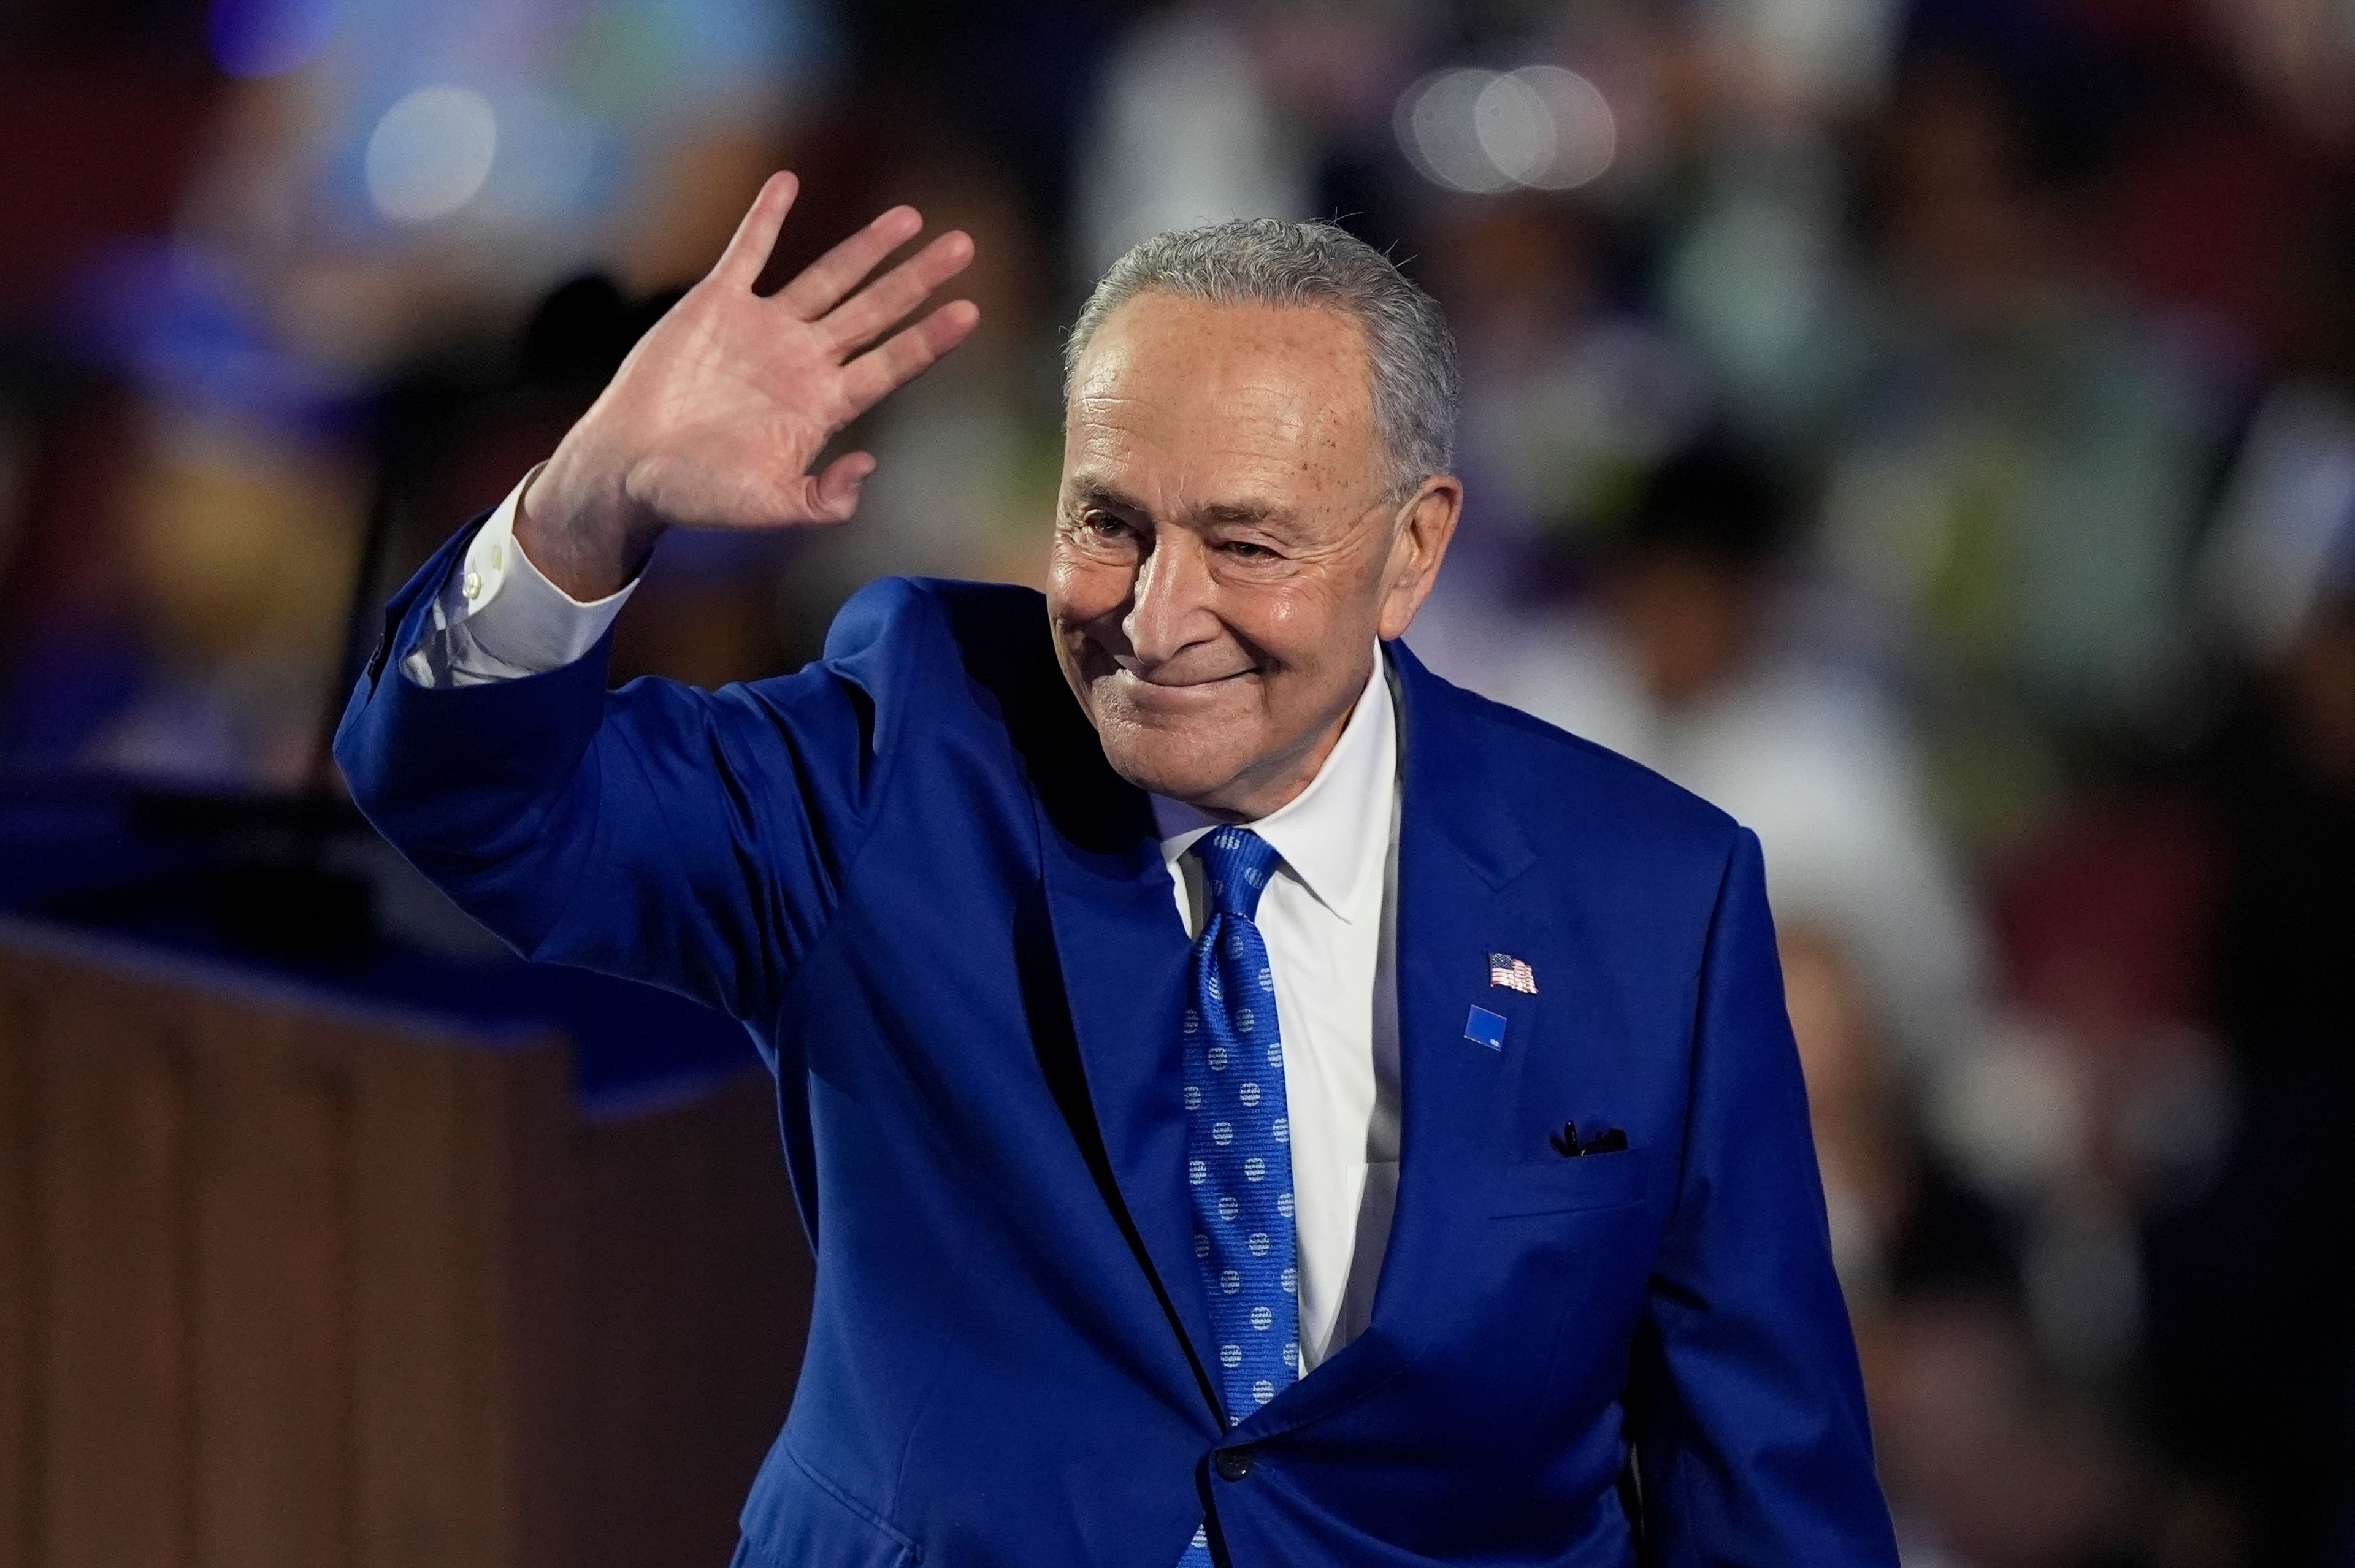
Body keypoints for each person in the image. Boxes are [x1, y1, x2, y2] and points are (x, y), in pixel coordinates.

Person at [335, 173, 1898, 1567]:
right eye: (1110, 523)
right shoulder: (908, 756)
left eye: (1246, 543)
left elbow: (1764, 1483)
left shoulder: (1648, 898)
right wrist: (589, 506)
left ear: (1412, 552)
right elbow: (479, 805)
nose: (1154, 616)